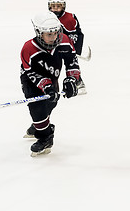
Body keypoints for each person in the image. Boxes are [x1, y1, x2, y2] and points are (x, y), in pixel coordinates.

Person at [20, 11, 85, 156]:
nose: (54, 37)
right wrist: (45, 85)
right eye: (49, 34)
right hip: (31, 79)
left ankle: (39, 125)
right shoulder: (28, 48)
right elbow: (29, 72)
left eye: (56, 32)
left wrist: (71, 79)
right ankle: (45, 137)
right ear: (38, 32)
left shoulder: (65, 41)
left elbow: (72, 63)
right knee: (37, 107)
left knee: (51, 103)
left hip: (52, 75)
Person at [48, 0, 87, 91]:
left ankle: (78, 83)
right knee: (51, 67)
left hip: (66, 48)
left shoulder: (69, 18)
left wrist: (76, 50)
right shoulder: (47, 18)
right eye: (53, 6)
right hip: (53, 48)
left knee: (71, 65)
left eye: (58, 6)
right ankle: (50, 86)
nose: (55, 9)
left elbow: (78, 35)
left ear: (63, 6)